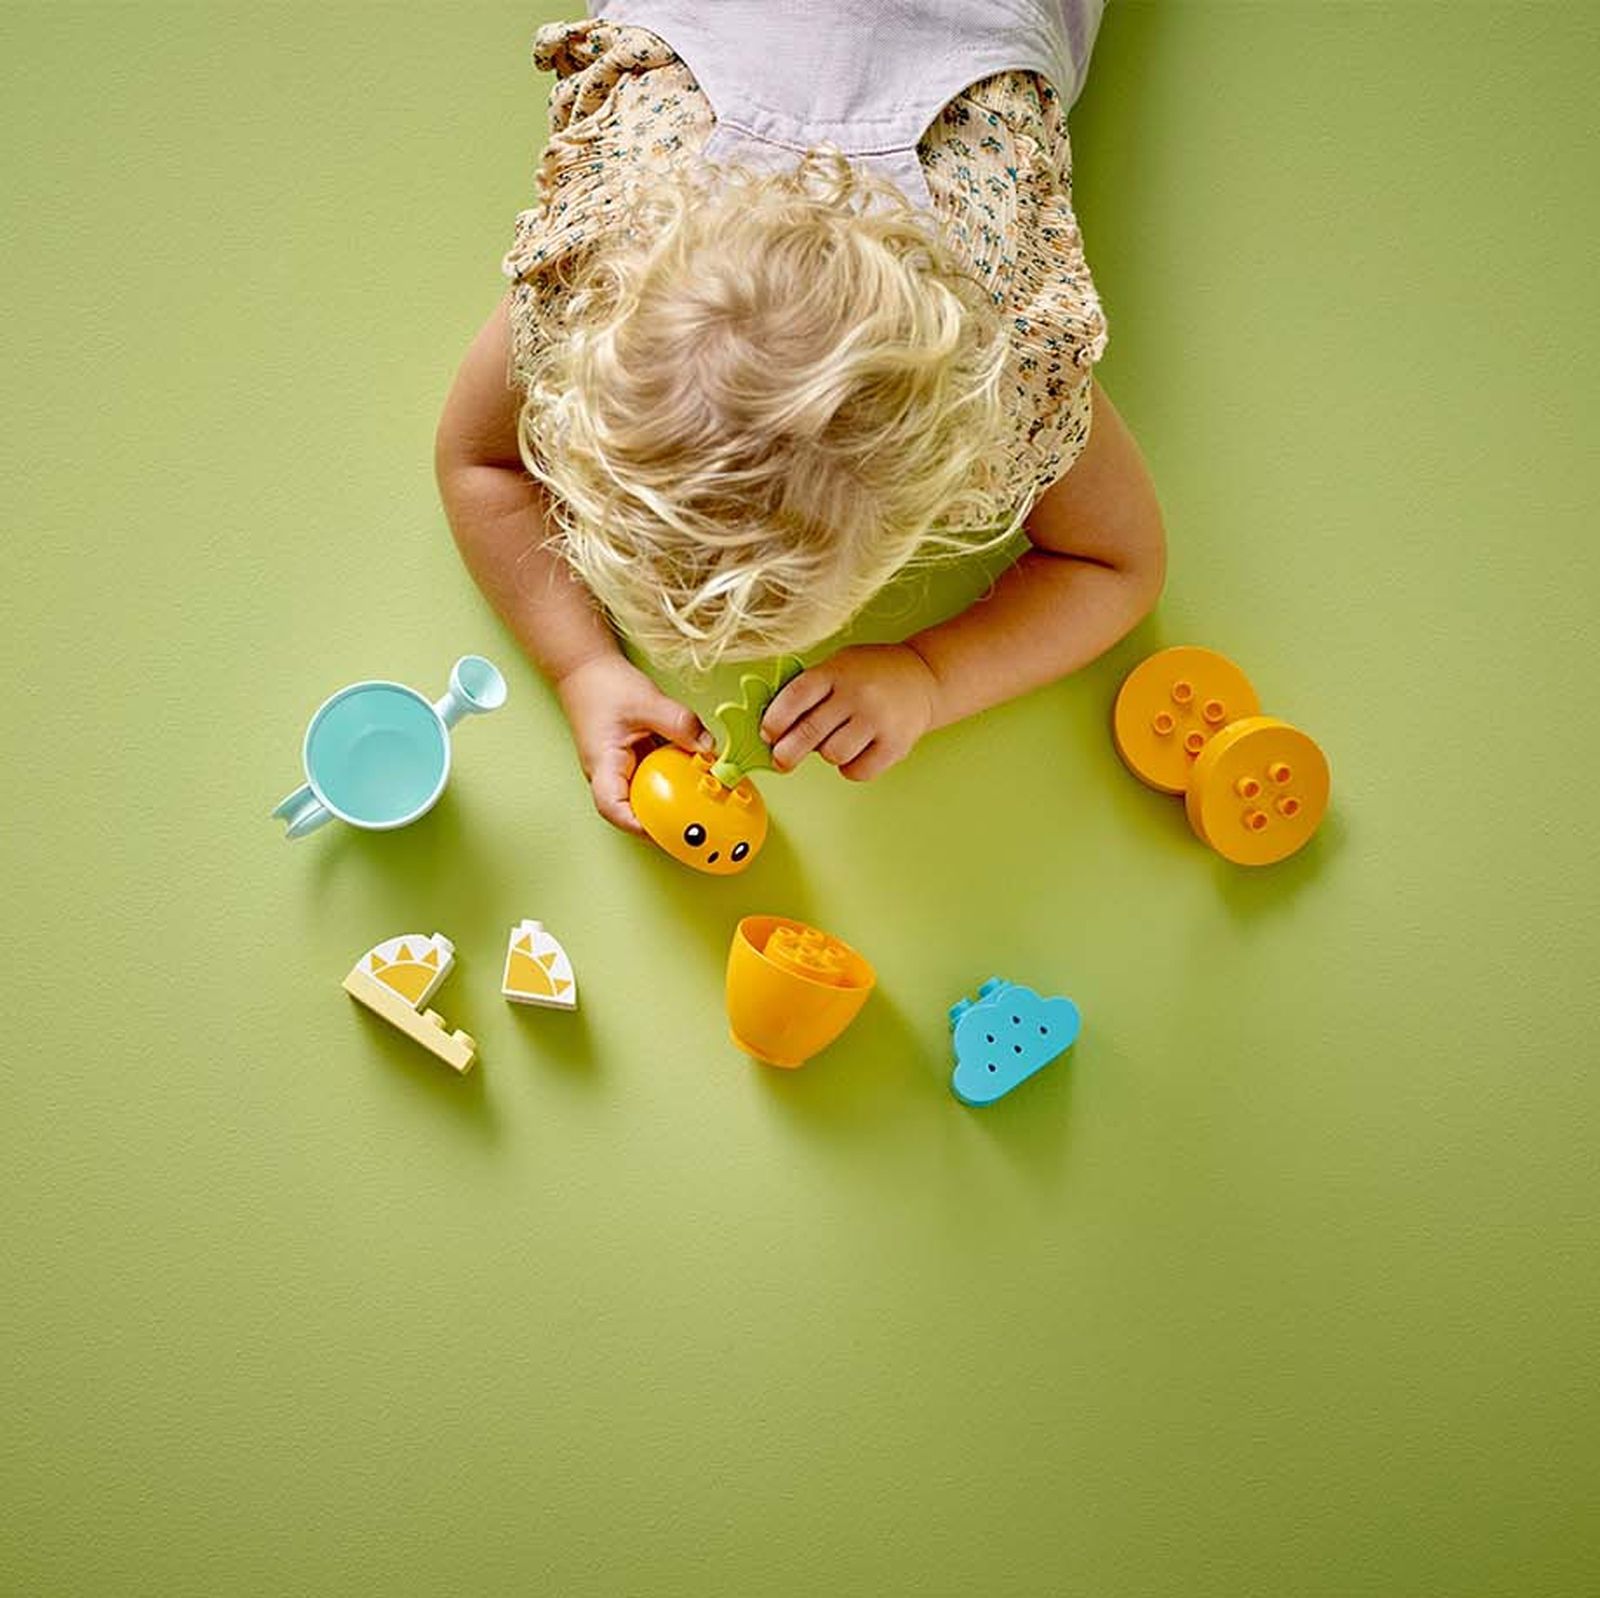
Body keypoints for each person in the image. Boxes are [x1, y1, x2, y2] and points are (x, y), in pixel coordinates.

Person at [435, 2, 1165, 835]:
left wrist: (934, 676)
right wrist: (582, 668)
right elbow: (478, 464)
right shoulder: (604, 267)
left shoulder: (1001, 360)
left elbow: (1120, 566)